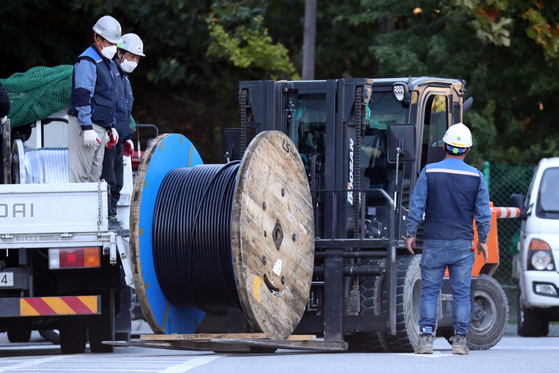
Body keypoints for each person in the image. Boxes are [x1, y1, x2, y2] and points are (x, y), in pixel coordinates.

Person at [405, 122, 491, 355]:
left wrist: (411, 233)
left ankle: (425, 341)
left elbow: (416, 206)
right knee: (462, 293)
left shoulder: (429, 172)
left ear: (444, 146)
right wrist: (483, 239)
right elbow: (483, 214)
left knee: (430, 292)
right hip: (463, 246)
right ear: (468, 150)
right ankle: (460, 342)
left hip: (433, 243)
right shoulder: (477, 177)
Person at [67, 15, 122, 183]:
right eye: (109, 42)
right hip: (87, 125)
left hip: (101, 127)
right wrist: (86, 127)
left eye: (115, 43)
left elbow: (110, 97)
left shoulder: (109, 63)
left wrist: (111, 126)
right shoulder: (88, 60)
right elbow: (83, 96)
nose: (113, 47)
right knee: (79, 177)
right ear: (97, 39)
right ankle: (77, 210)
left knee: (94, 178)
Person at [101, 33, 145, 231]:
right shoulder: (109, 75)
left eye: (137, 58)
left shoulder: (125, 81)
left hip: (119, 139)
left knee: (118, 181)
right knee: (108, 180)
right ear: (119, 53)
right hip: (108, 138)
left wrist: (127, 137)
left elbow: (125, 112)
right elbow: (107, 106)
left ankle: (113, 216)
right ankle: (107, 218)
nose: (134, 61)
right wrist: (110, 129)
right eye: (131, 56)